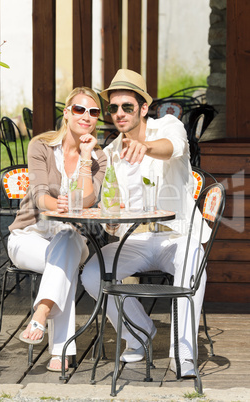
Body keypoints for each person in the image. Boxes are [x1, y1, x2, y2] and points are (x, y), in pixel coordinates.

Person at [81, 69, 211, 378]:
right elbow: (107, 204)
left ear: (143, 108)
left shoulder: (168, 126)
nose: (119, 114)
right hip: (135, 240)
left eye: (127, 106)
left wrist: (146, 147)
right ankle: (139, 332)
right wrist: (110, 218)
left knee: (193, 264)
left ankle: (184, 352)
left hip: (177, 235)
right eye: (113, 108)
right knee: (91, 273)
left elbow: (173, 148)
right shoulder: (111, 153)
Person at [7, 87, 107, 372]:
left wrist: (86, 156)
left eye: (93, 111)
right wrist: (57, 205)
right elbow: (38, 194)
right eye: (79, 109)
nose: (86, 116)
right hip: (29, 237)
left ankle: (41, 312)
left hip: (72, 238)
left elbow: (88, 199)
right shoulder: (40, 146)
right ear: (66, 113)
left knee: (66, 240)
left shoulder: (100, 157)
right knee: (64, 263)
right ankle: (61, 351)